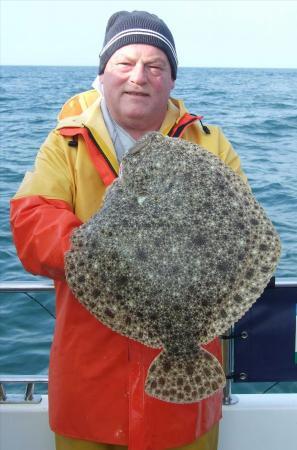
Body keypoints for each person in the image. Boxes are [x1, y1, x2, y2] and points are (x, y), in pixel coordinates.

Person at [10, 10, 247, 450]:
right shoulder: (66, 141)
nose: (139, 76)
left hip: (185, 405)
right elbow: (31, 224)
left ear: (171, 80)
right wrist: (108, 254)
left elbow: (244, 231)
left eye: (155, 66)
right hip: (90, 389)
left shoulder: (210, 143)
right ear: (103, 74)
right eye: (124, 63)